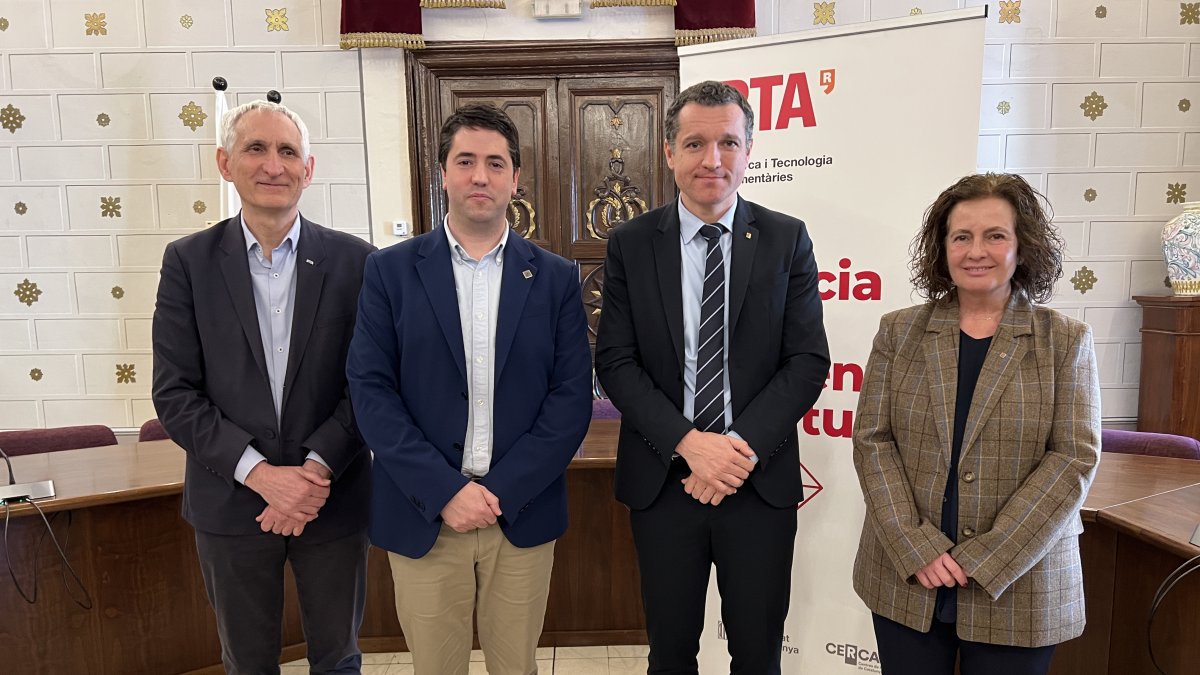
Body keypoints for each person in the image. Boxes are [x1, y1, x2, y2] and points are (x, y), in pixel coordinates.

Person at [346, 103, 593, 675]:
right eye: (466, 161)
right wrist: (446, 491)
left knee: (517, 667)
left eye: (495, 163)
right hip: (425, 514)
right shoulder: (390, 271)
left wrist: (500, 490)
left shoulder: (554, 277)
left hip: (521, 512)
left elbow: (570, 397)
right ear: (444, 173)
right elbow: (371, 390)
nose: (480, 176)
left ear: (515, 177)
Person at [594, 80, 831, 674]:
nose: (713, 159)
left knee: (757, 655)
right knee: (670, 654)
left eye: (729, 142)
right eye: (695, 143)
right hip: (664, 479)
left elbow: (806, 361)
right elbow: (616, 362)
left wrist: (733, 452)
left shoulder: (786, 238)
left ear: (749, 151)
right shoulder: (629, 243)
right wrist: (690, 445)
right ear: (669, 153)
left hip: (757, 482)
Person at [152, 100, 374, 674]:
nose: (273, 164)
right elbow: (174, 392)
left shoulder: (358, 262)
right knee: (247, 663)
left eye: (288, 151)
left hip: (332, 497)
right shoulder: (188, 262)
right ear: (225, 163)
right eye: (256, 148)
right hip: (230, 502)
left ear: (309, 168)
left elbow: (371, 383)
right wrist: (261, 475)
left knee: (339, 660)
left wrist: (314, 471)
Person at [851, 173, 1101, 675]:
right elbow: (872, 441)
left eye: (995, 235)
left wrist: (987, 557)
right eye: (961, 236)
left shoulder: (1064, 339)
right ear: (942, 248)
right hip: (909, 579)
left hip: (1021, 586)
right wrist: (915, 546)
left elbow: (1074, 458)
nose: (976, 250)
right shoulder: (900, 331)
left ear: (1021, 246)